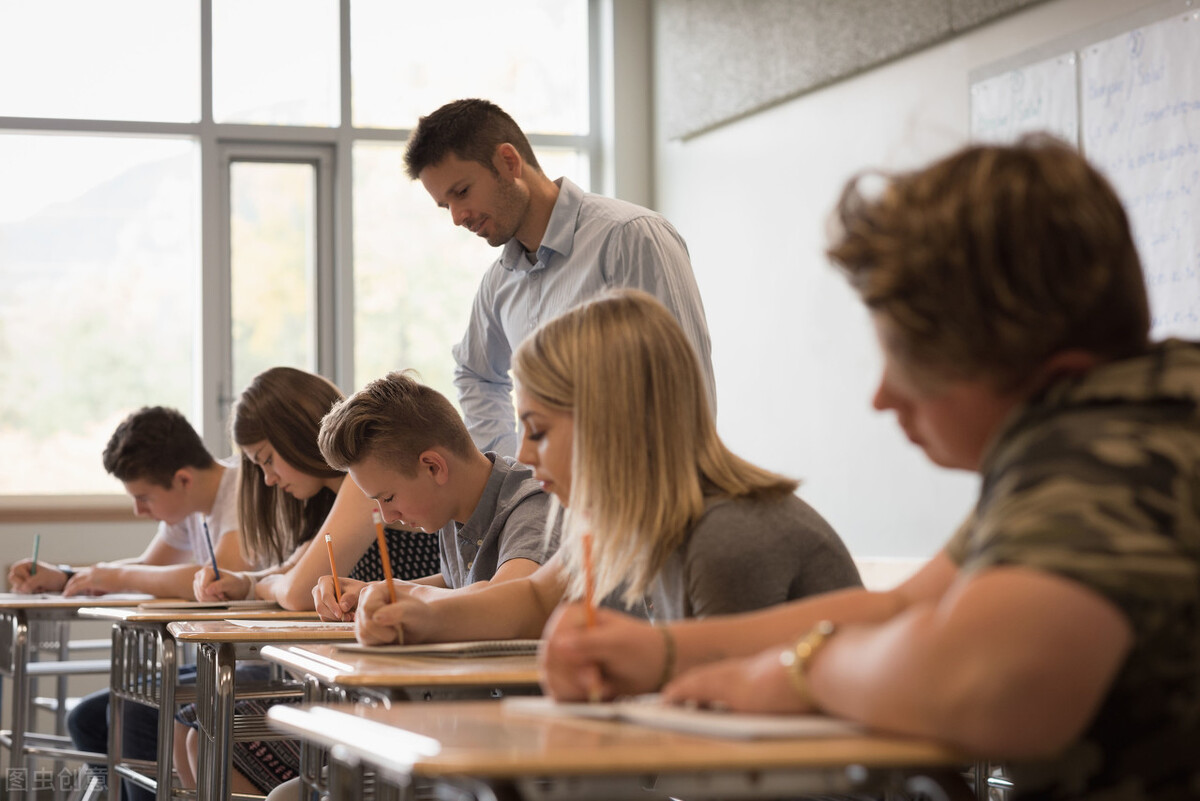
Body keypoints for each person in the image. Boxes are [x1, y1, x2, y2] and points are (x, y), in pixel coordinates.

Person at [539, 137, 1200, 801]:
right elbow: (902, 606)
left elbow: (990, 684)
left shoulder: (1111, 450)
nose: (882, 396)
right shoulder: (1123, 417)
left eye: (905, 353)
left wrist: (799, 672)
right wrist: (663, 654)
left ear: (1003, 345)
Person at [354, 289, 860, 650]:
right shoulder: (618, 524)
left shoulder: (729, 538)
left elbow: (725, 728)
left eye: (539, 430)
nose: (525, 455)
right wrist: (419, 617)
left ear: (611, 422)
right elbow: (533, 599)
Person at [404, 98, 716, 458]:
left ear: (509, 162)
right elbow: (476, 375)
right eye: (446, 206)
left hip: (642, 501)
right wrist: (516, 476)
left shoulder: (631, 237)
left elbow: (684, 386)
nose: (457, 217)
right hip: (552, 508)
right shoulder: (499, 282)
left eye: (461, 192)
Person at [5, 406, 251, 801]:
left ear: (182, 479)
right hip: (214, 661)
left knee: (133, 710)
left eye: (143, 498)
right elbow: (145, 570)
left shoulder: (241, 490)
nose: (138, 511)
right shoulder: (189, 508)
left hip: (248, 665)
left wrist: (110, 576)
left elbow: (214, 577)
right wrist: (67, 577)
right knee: (85, 718)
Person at [309, 369, 559, 620]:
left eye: (388, 498)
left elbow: (507, 603)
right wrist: (369, 592)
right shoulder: (452, 507)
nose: (387, 516)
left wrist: (397, 592)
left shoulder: (534, 505)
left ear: (433, 467)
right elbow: (457, 586)